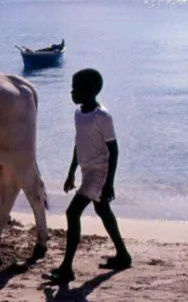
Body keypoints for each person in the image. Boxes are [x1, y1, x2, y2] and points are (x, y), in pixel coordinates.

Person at [43, 68, 132, 284]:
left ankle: (66, 268)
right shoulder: (78, 114)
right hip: (86, 171)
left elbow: (114, 151)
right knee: (102, 210)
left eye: (75, 89)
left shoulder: (102, 116)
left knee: (72, 213)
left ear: (89, 91)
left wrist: (109, 183)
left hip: (99, 172)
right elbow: (78, 143)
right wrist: (71, 172)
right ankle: (123, 255)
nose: (71, 92)